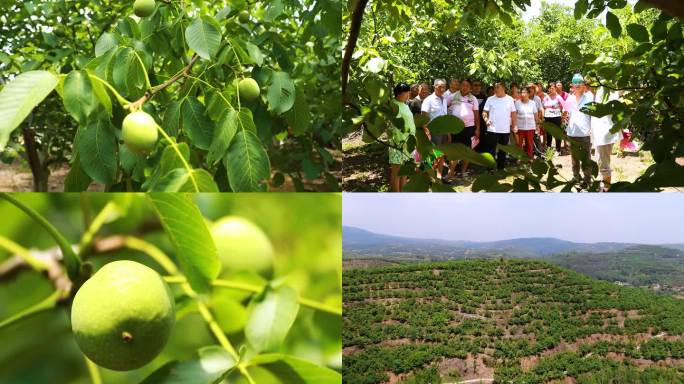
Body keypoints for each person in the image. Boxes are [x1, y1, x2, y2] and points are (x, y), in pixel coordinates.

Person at [447, 79, 480, 178]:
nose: (465, 87)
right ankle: (451, 172)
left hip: (469, 128)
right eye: (463, 85)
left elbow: (476, 115)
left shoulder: (473, 99)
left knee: (467, 150)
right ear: (460, 86)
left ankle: (463, 171)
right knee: (455, 150)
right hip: (455, 128)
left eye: (467, 86)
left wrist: (478, 129)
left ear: (470, 88)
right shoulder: (452, 97)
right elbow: (445, 109)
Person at [591, 85, 622, 191]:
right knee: (600, 160)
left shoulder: (606, 89)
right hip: (601, 134)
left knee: (603, 163)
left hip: (605, 134)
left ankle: (606, 189)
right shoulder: (598, 91)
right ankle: (603, 187)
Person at [565, 73, 594, 187]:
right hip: (571, 132)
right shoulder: (569, 98)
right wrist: (565, 117)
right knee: (574, 158)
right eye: (575, 83)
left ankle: (587, 180)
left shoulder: (589, 97)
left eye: (579, 83)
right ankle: (576, 176)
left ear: (583, 85)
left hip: (585, 133)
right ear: (572, 85)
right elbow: (566, 113)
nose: (577, 86)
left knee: (586, 158)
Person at [389, 83, 416, 192]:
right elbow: (395, 125)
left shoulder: (405, 105)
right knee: (396, 172)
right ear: (399, 93)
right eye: (406, 92)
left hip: (409, 142)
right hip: (398, 143)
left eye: (409, 92)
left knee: (404, 171)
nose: (409, 94)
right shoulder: (393, 105)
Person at [483, 82, 517, 170]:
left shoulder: (509, 99)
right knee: (491, 150)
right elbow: (484, 112)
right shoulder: (490, 99)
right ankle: (490, 168)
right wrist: (486, 120)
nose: (495, 89)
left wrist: (514, 125)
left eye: (498, 87)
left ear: (503, 88)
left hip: (505, 129)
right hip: (492, 129)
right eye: (495, 87)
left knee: (503, 150)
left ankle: (501, 168)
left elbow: (513, 113)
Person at [421, 79, 449, 180]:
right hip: (432, 131)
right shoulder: (428, 100)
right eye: (440, 86)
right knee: (430, 155)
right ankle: (426, 177)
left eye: (444, 87)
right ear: (434, 87)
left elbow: (445, 116)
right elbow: (423, 117)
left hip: (444, 131)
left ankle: (439, 176)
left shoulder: (444, 99)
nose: (442, 89)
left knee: (441, 154)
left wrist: (448, 132)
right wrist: (426, 131)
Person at [514, 88, 539, 158]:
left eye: (525, 92)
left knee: (529, 144)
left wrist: (537, 127)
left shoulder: (532, 103)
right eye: (522, 92)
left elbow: (536, 116)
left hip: (530, 127)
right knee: (519, 144)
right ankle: (520, 158)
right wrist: (514, 125)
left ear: (528, 94)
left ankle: (529, 158)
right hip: (520, 127)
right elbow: (514, 115)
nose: (523, 94)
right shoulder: (517, 103)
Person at [543, 82, 564, 153]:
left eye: (552, 88)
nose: (551, 89)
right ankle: (549, 149)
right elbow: (543, 106)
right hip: (547, 117)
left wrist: (563, 115)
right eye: (549, 88)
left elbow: (564, 106)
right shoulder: (546, 97)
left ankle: (558, 150)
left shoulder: (558, 97)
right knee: (549, 134)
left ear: (555, 88)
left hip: (557, 117)